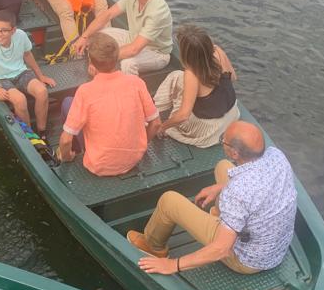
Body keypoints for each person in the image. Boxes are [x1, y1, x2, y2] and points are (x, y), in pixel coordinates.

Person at [127, 121, 297, 276]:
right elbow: (257, 189)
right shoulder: (277, 156)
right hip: (274, 249)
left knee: (169, 201)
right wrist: (221, 187)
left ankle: (153, 247)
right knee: (223, 167)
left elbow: (221, 249)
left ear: (234, 153)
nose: (222, 141)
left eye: (224, 140)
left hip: (246, 259)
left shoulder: (237, 192)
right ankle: (223, 217)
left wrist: (173, 265)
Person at [58, 33, 161, 176]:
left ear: (91, 62)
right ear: (117, 57)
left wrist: (66, 156)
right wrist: (142, 145)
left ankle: (76, 152)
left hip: (98, 165)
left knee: (67, 103)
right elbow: (156, 124)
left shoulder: (85, 91)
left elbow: (65, 141)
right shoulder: (137, 83)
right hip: (134, 158)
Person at [73, 0, 172, 76]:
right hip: (132, 38)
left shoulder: (158, 11)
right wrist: (84, 36)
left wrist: (101, 59)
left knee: (128, 63)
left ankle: (127, 86)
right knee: (97, 37)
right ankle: (103, 72)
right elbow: (107, 15)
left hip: (156, 52)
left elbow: (134, 49)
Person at [0, 10, 56, 135]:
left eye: (4, 30)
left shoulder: (21, 35)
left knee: (42, 91)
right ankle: (30, 136)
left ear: (13, 30)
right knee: (20, 100)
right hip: (0, 78)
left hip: (20, 72)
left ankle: (42, 131)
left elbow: (27, 54)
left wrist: (40, 76)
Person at [153, 25, 239, 148]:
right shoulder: (218, 51)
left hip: (209, 129)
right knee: (180, 78)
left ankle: (155, 110)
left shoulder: (192, 74)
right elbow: (233, 77)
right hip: (231, 115)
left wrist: (163, 127)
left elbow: (183, 116)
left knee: (175, 76)